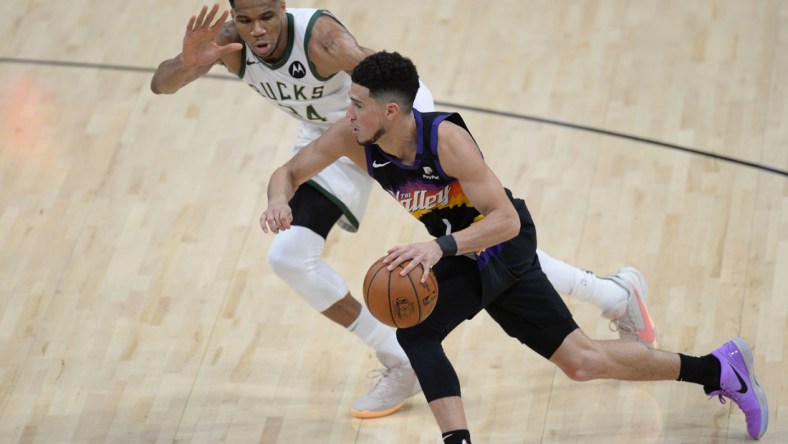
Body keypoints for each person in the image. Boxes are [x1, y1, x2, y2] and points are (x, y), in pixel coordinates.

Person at [151, 1, 656, 419]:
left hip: (386, 132)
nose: (256, 30)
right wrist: (189, 61)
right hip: (335, 144)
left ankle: (612, 294)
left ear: (283, 7)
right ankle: (399, 359)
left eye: (266, 16)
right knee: (288, 257)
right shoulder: (229, 42)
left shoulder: (322, 40)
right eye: (246, 19)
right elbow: (162, 85)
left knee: (482, 239)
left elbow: (384, 75)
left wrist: (415, 142)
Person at [259, 51, 769, 442]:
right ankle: (719, 368)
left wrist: (440, 248)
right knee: (582, 362)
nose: (347, 111)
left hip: (501, 245)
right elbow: (290, 171)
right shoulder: (354, 138)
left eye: (356, 103)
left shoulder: (447, 140)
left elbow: (503, 219)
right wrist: (279, 202)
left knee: (415, 332)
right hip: (463, 251)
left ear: (390, 111)